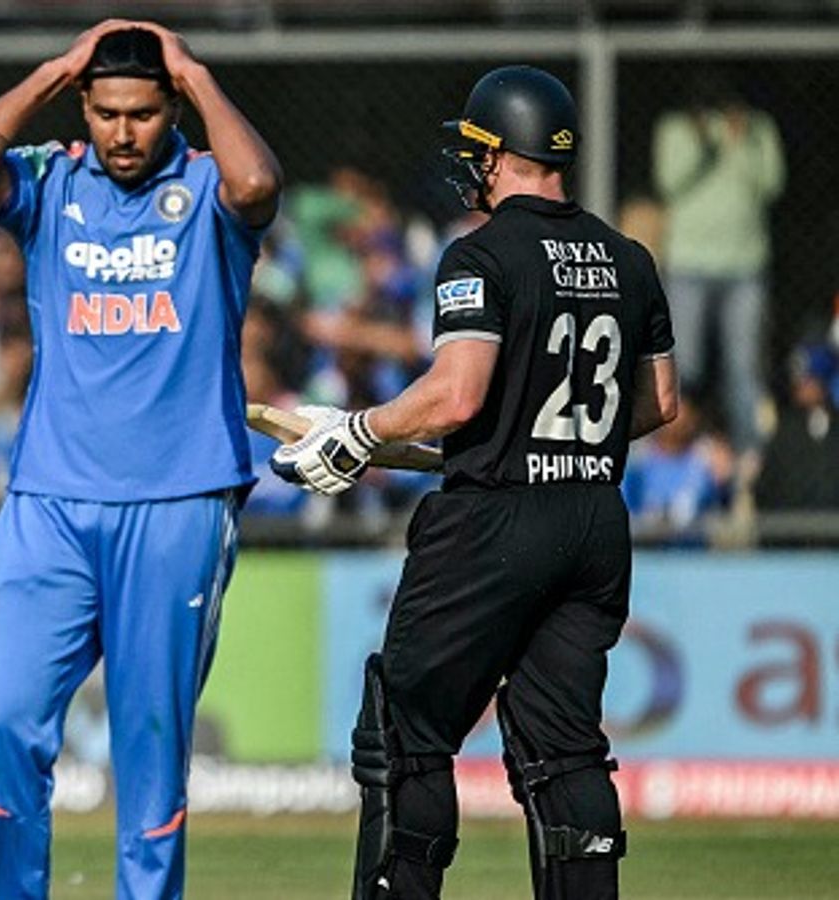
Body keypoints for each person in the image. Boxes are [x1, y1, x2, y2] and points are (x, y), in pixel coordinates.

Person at [271, 66, 678, 900]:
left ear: (500, 152)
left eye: (476, 149)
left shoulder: (479, 253)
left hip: (495, 524)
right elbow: (658, 404)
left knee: (405, 734)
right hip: (595, 521)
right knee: (564, 749)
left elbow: (456, 393)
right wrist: (530, 435)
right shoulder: (629, 259)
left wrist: (358, 432)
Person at [0, 20, 280, 899]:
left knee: (150, 755)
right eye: (109, 112)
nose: (125, 133)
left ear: (173, 112)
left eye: (145, 113)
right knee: (5, 728)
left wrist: (194, 71)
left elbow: (258, 182)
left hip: (179, 498)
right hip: (48, 499)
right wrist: (50, 70)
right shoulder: (49, 181)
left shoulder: (205, 189)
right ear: (84, 106)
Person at [652, 73, 783, 466]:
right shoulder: (676, 128)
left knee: (742, 370)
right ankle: (673, 454)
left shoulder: (758, 129)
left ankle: (748, 461)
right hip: (690, 263)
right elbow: (669, 183)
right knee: (684, 367)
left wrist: (740, 142)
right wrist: (704, 143)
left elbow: (770, 185)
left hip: (744, 265)